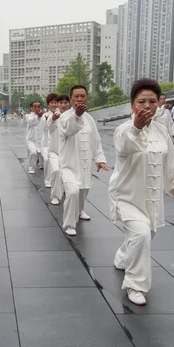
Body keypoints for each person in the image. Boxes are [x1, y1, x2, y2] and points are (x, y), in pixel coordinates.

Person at [109, 79, 174, 306]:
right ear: (132, 104)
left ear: (159, 104)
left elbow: (171, 160)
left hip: (152, 199)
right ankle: (135, 285)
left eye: (152, 101)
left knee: (146, 234)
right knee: (141, 234)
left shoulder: (162, 131)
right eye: (141, 101)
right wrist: (136, 127)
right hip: (126, 196)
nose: (147, 106)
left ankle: (123, 256)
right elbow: (124, 146)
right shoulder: (124, 130)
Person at [59, 86, 110, 237]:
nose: (80, 99)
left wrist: (99, 159)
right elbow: (68, 129)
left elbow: (96, 141)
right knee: (73, 191)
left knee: (83, 190)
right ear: (70, 99)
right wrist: (77, 116)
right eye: (76, 97)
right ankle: (69, 223)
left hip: (85, 163)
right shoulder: (65, 117)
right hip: (69, 164)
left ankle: (80, 211)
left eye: (83, 96)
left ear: (87, 98)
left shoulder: (90, 119)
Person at [46, 94, 71, 205]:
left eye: (66, 102)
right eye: (61, 102)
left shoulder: (72, 116)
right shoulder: (53, 116)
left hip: (68, 152)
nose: (63, 105)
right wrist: (52, 120)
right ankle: (55, 196)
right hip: (54, 150)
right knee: (56, 170)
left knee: (67, 174)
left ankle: (66, 190)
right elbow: (49, 129)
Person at [42, 94, 58, 188]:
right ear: (48, 104)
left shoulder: (61, 114)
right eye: (52, 102)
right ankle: (47, 179)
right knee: (47, 160)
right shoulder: (45, 116)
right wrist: (49, 120)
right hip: (46, 143)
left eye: (56, 102)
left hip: (57, 143)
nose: (54, 104)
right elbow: (44, 128)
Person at [25, 101, 43, 174]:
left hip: (41, 139)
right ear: (31, 108)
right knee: (33, 153)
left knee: (44, 157)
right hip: (31, 139)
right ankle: (31, 167)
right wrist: (38, 116)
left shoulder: (44, 116)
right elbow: (31, 122)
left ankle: (41, 165)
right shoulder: (28, 116)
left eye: (39, 106)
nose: (37, 108)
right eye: (35, 107)